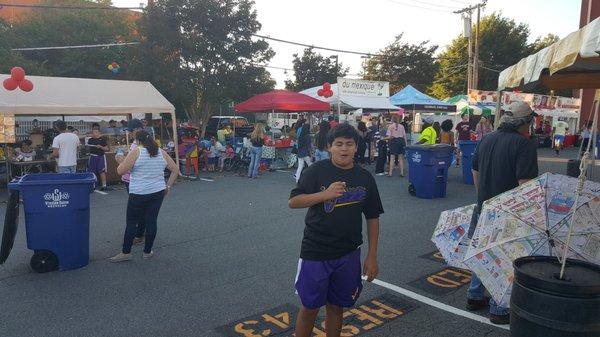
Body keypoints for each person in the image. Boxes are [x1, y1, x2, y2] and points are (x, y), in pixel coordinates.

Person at [289, 123, 384, 337]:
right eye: (338, 144)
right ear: (329, 147)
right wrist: (324, 195)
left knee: (336, 306)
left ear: (356, 148)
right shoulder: (316, 171)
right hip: (316, 252)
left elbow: (373, 217)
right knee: (309, 308)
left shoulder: (364, 177)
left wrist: (372, 256)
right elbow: (294, 201)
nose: (344, 149)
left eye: (349, 144)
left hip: (349, 253)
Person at [468, 101, 538, 325]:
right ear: (525, 122)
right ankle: (499, 308)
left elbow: (475, 169)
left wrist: (483, 196)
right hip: (508, 211)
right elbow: (525, 184)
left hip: (484, 206)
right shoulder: (523, 145)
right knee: (506, 258)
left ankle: (474, 295)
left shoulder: (487, 139)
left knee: (483, 252)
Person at [110, 131, 179, 262]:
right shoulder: (161, 152)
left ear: (138, 141)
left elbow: (120, 170)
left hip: (138, 192)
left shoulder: (136, 151)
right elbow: (175, 169)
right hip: (158, 191)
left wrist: (120, 159)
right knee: (151, 221)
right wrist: (168, 186)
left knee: (131, 223)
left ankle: (126, 252)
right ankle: (147, 251)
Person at [117, 118, 147, 245]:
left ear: (138, 130)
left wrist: (120, 159)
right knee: (143, 209)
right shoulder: (144, 143)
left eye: (131, 131)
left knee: (137, 209)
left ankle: (138, 235)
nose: (129, 133)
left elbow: (129, 165)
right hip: (138, 180)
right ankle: (141, 233)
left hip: (134, 180)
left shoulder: (139, 145)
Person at [87, 127, 111, 191]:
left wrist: (101, 147)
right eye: (93, 132)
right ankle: (93, 185)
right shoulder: (90, 140)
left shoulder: (102, 140)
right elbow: (88, 147)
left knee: (102, 171)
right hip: (92, 157)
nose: (95, 133)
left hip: (101, 157)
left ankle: (104, 185)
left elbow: (107, 149)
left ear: (99, 133)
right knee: (92, 171)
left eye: (96, 132)